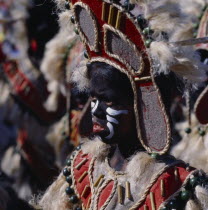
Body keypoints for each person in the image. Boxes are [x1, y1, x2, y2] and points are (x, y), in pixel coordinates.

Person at [36, 0, 208, 209]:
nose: (96, 111)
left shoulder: (177, 185)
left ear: (144, 107)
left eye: (109, 100)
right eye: (93, 99)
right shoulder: (82, 165)